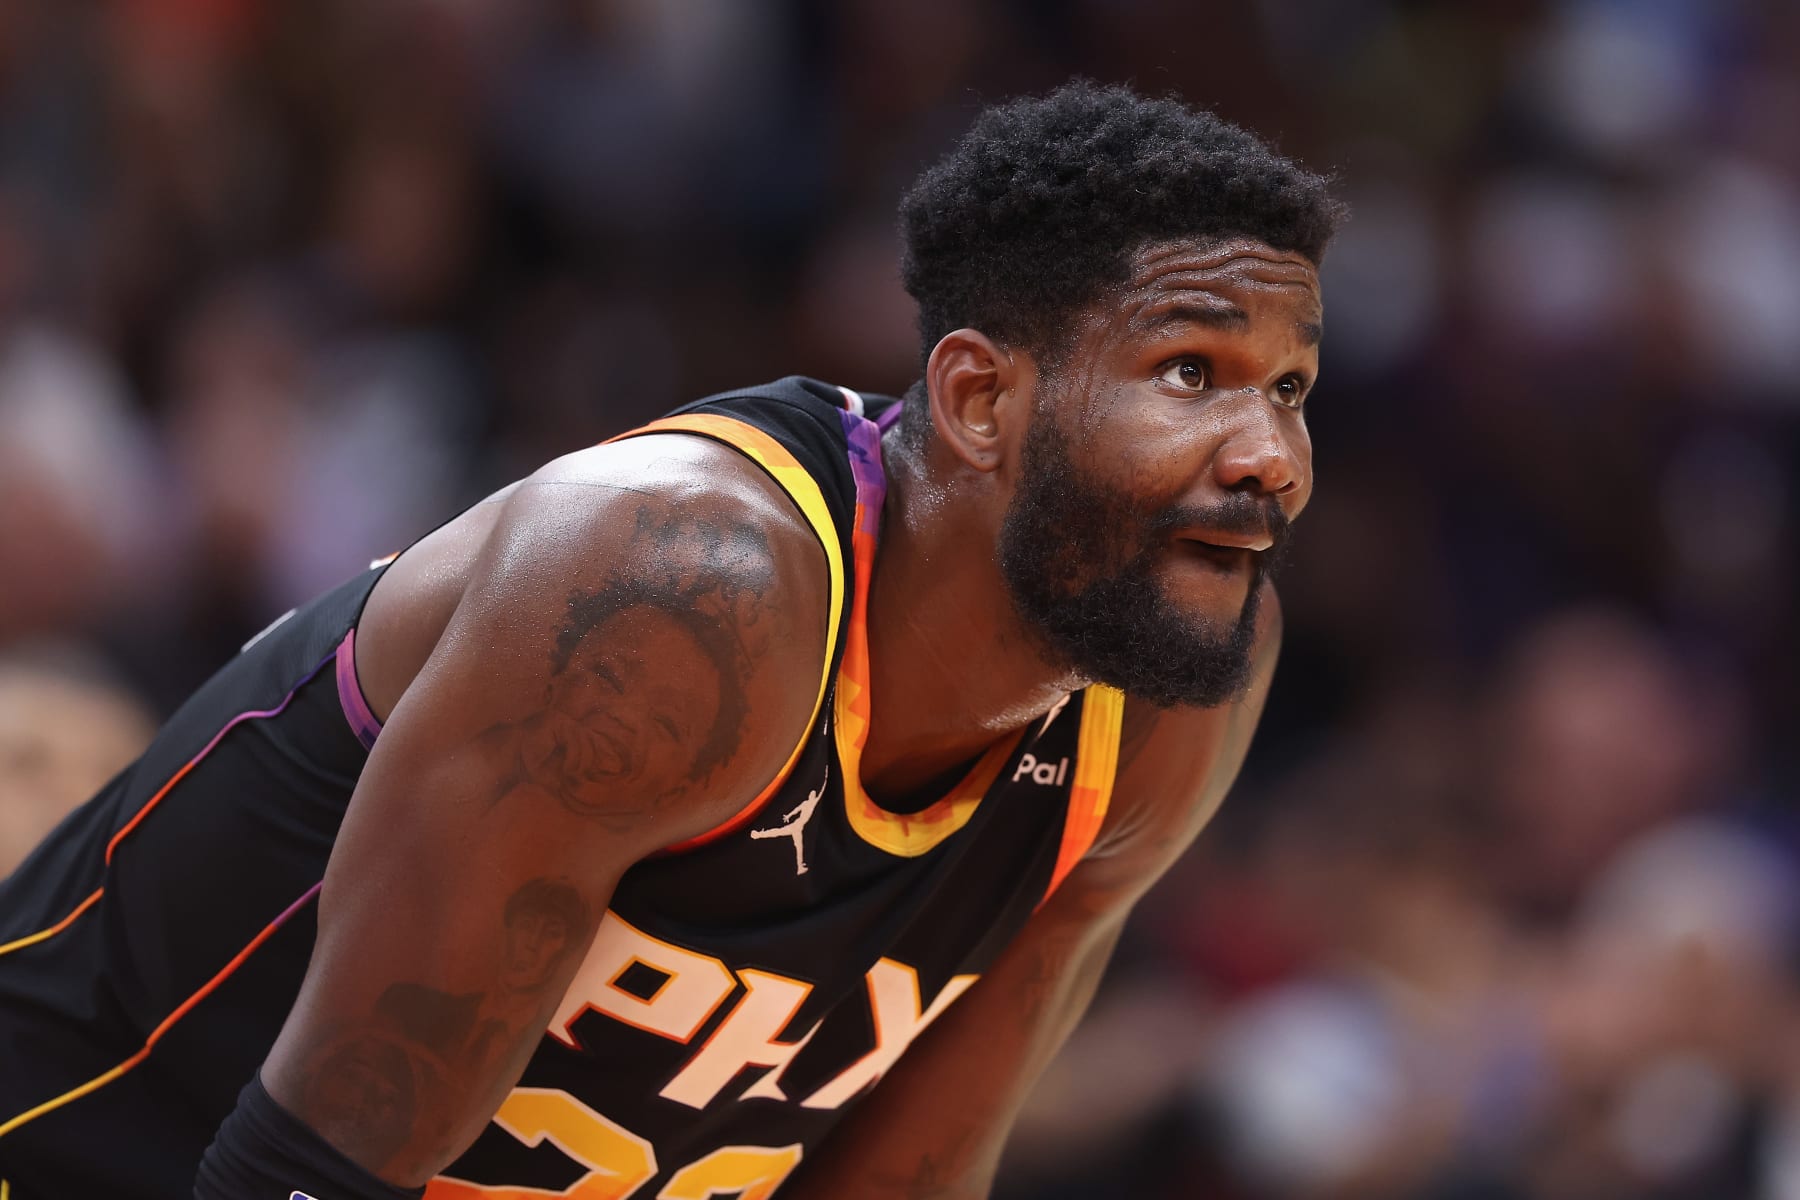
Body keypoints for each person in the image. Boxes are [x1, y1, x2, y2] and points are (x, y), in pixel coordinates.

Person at [0, 81, 1340, 1199]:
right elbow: (311, 1169)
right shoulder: (686, 591)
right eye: (1192, 374)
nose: (1271, 456)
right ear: (981, 400)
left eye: (1290, 389)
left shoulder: (1164, 697)